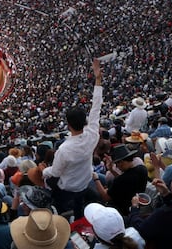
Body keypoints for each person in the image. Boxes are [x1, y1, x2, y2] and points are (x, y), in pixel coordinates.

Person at [42, 58, 103, 219]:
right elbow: (96, 107)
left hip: (68, 187)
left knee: (59, 202)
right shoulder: (92, 135)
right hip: (84, 182)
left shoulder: (64, 149)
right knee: (79, 206)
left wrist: (44, 170)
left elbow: (55, 172)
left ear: (68, 125)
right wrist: (98, 79)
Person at [93, 144, 148, 216]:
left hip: (119, 209)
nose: (116, 166)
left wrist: (96, 179)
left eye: (116, 163)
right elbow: (123, 180)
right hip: (133, 202)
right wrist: (111, 170)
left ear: (121, 162)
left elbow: (106, 197)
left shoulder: (121, 180)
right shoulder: (142, 169)